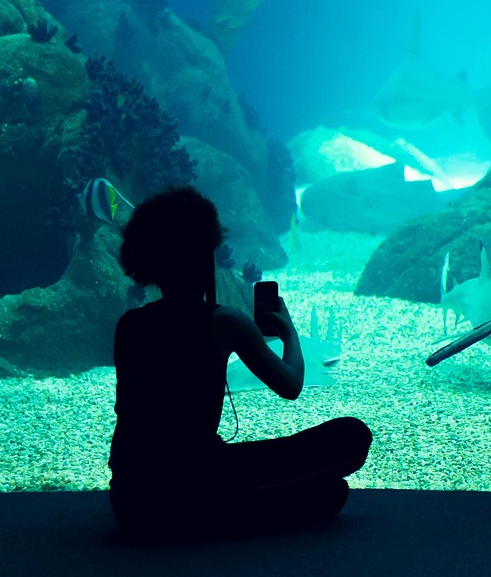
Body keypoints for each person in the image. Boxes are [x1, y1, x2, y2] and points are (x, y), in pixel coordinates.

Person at [108, 185, 372, 539]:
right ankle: (228, 514)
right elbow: (291, 385)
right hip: (195, 485)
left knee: (322, 492)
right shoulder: (223, 322)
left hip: (131, 499)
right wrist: (289, 333)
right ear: (204, 256)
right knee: (351, 439)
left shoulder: (130, 325)